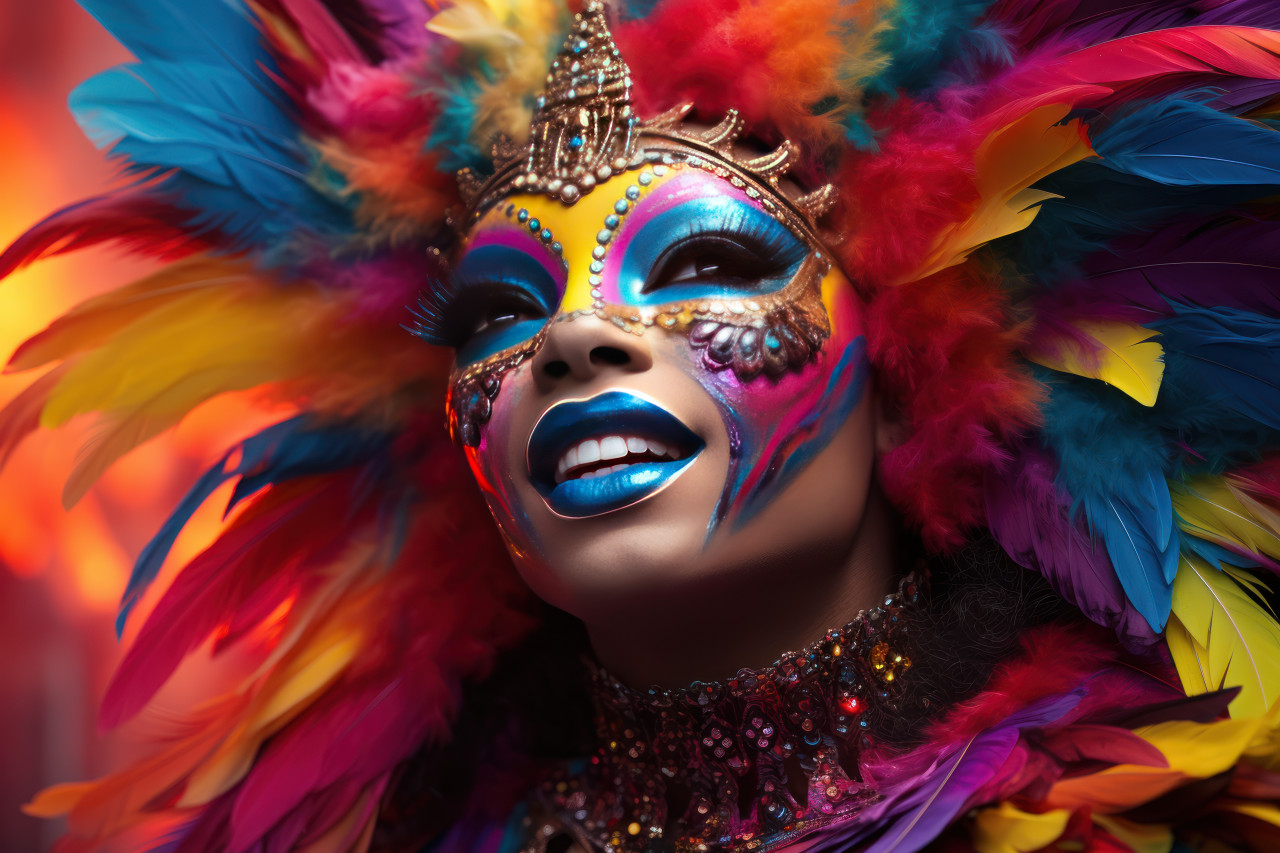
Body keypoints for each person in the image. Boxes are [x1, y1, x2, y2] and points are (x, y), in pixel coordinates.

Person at [9, 0, 1280, 850]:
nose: (569, 337)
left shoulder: (1170, 799)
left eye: (700, 263)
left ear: (902, 381)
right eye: (499, 309)